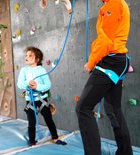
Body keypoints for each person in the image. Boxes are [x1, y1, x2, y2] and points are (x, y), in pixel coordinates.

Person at [76, 0, 133, 155]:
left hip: (111, 61)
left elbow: (106, 40)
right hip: (119, 60)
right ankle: (125, 152)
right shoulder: (114, 4)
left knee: (83, 108)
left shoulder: (113, 4)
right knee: (113, 109)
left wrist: (91, 63)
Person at [17, 46, 67, 146]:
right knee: (31, 123)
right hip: (30, 102)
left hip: (42, 100)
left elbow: (48, 85)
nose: (27, 57)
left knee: (49, 120)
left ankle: (55, 138)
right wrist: (28, 83)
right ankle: (32, 142)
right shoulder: (24, 70)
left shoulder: (42, 70)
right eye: (26, 55)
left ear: (37, 59)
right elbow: (19, 84)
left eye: (30, 56)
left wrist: (37, 86)